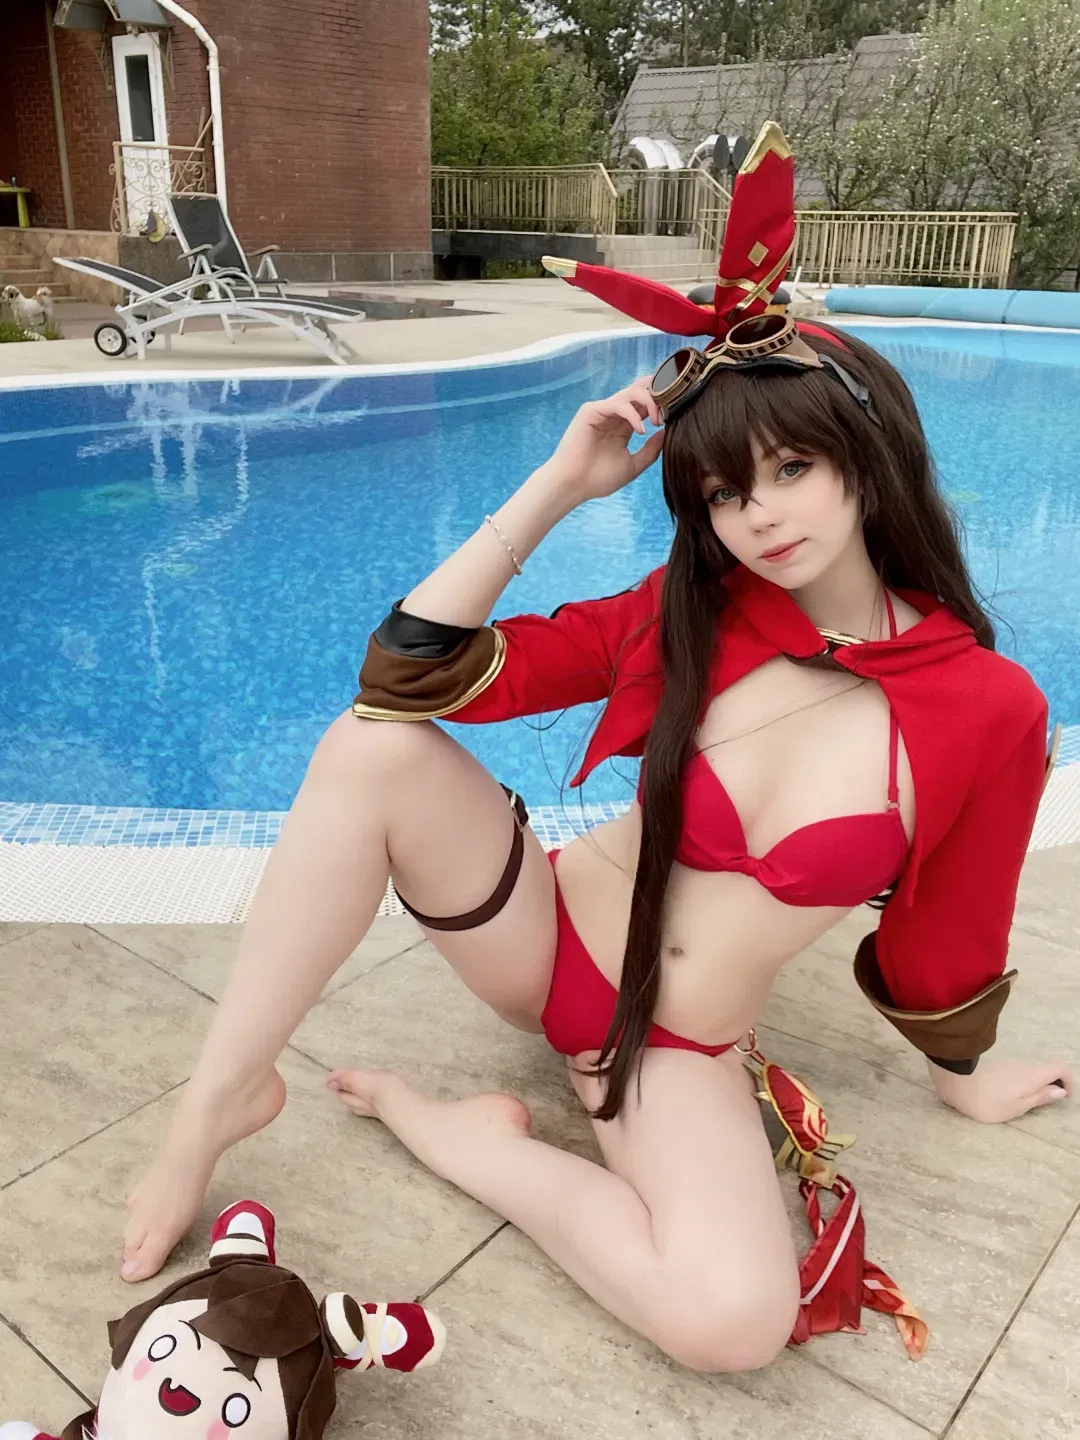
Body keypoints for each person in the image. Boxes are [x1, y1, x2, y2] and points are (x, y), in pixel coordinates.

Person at [122, 125, 1071, 1373]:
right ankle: (215, 1104)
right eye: (724, 492)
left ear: (867, 457)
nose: (760, 514)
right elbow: (405, 676)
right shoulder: (696, 610)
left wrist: (966, 1077)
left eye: (791, 467)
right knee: (369, 750)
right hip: (541, 942)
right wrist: (560, 487)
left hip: (671, 1051)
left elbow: (956, 921)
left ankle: (469, 1141)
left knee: (734, 1325)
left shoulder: (988, 708)